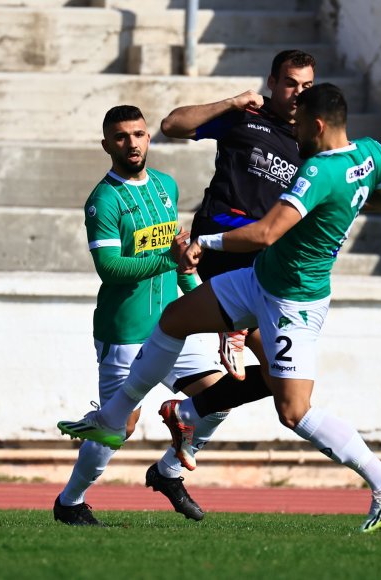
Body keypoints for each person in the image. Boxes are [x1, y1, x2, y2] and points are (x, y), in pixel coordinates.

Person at [59, 84, 381, 533]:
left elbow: (265, 233)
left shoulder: (317, 171)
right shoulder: (372, 153)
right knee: (175, 321)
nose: (293, 129)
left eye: (299, 121)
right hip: (257, 281)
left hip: (293, 301)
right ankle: (117, 435)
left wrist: (199, 244)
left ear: (317, 125)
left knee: (294, 412)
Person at [53, 105, 227, 526]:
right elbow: (110, 269)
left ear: (149, 138)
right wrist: (170, 260)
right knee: (117, 431)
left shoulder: (166, 186)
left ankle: (167, 473)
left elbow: (182, 263)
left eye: (138, 134)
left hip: (172, 326)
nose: (131, 143)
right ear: (107, 144)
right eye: (121, 136)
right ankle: (70, 502)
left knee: (219, 397)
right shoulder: (103, 200)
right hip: (125, 333)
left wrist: (212, 308)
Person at [161, 49, 316, 384]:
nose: (299, 93)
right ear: (272, 82)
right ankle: (233, 326)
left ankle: (189, 415)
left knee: (285, 383)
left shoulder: (310, 140)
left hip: (262, 254)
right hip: (220, 234)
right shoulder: (245, 115)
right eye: (290, 83)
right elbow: (172, 125)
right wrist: (231, 102)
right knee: (266, 242)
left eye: (307, 86)